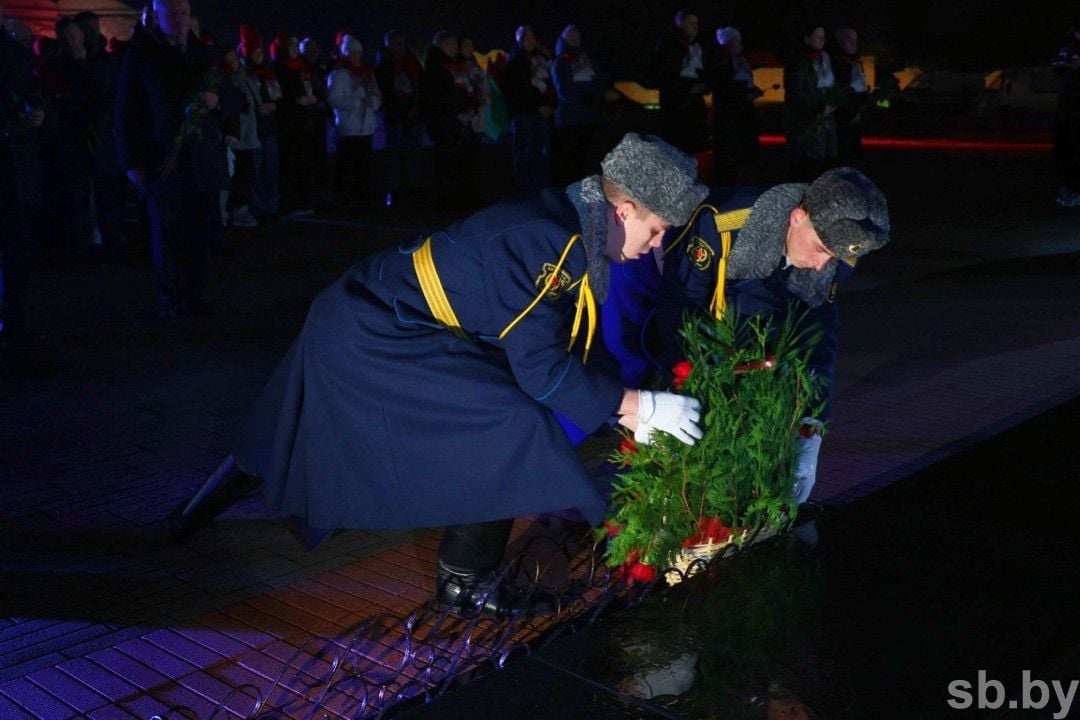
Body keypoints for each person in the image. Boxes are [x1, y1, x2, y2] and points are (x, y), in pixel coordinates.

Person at [174, 133, 708, 617]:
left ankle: (210, 497)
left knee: (286, 428)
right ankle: (465, 584)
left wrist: (628, 406)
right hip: (377, 328)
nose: (657, 245)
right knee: (513, 423)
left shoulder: (571, 227)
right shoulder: (559, 244)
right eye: (657, 230)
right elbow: (541, 369)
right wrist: (639, 407)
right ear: (624, 211)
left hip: (378, 310)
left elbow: (568, 346)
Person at [604, 167, 890, 505]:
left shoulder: (828, 257)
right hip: (692, 354)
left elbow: (818, 339)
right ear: (798, 217)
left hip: (757, 370)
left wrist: (811, 427)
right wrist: (678, 395)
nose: (820, 265)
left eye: (834, 257)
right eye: (820, 248)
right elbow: (677, 319)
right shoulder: (722, 225)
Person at [115, 0, 230, 318]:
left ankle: (196, 293)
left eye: (182, 13)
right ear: (158, 17)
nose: (178, 20)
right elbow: (127, 111)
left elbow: (231, 95)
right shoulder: (142, 55)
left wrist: (217, 100)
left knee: (198, 228)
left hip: (198, 158)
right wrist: (130, 160)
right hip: (161, 158)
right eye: (172, 14)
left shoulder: (203, 53)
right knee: (167, 230)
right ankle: (172, 297)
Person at [1, 3, 45, 354]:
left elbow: (32, 91)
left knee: (14, 245)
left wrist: (36, 111)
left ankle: (13, 318)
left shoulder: (14, 53)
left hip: (12, 161)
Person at [327, 34, 381, 211]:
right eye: (353, 52)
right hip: (349, 128)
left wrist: (372, 102)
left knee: (364, 167)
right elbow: (334, 99)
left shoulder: (367, 73)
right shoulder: (339, 74)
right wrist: (358, 103)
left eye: (359, 52)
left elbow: (377, 95)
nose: (357, 56)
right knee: (349, 167)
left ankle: (363, 199)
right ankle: (347, 201)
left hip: (366, 127)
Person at [375, 29, 424, 209]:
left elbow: (420, 86)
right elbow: (384, 93)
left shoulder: (412, 63)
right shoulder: (383, 67)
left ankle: (413, 190)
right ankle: (394, 192)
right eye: (395, 44)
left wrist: (417, 107)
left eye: (401, 44)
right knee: (394, 156)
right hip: (395, 117)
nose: (399, 48)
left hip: (413, 116)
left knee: (413, 154)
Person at [551, 24, 606, 187]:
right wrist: (580, 98)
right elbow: (562, 88)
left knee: (586, 155)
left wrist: (594, 97)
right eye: (570, 36)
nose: (574, 38)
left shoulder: (588, 59)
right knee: (571, 157)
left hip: (588, 116)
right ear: (564, 39)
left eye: (576, 35)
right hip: (569, 118)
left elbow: (600, 80)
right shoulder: (561, 62)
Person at [783, 24, 840, 180]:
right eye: (817, 37)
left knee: (826, 163)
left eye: (823, 37)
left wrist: (834, 99)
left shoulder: (825, 58)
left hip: (826, 121)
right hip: (807, 123)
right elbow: (797, 94)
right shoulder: (799, 62)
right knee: (808, 165)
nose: (822, 40)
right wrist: (819, 108)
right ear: (807, 39)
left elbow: (831, 85)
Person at [502, 25, 555, 192]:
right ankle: (524, 191)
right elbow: (517, 91)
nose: (530, 41)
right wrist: (537, 106)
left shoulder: (542, 60)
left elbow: (551, 85)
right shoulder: (515, 61)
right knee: (525, 153)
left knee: (541, 152)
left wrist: (549, 105)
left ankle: (540, 189)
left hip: (542, 113)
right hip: (524, 113)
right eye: (526, 38)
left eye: (533, 37)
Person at [655, 9, 712, 155]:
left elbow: (704, 71)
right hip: (677, 101)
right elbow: (665, 73)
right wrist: (686, 88)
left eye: (696, 23)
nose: (695, 27)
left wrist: (704, 85)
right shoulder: (669, 44)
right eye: (690, 23)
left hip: (693, 100)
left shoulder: (697, 46)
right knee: (677, 144)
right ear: (680, 23)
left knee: (692, 145)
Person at [712, 27, 762, 185]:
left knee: (746, 156)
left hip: (744, 113)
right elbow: (725, 90)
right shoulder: (722, 63)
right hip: (731, 117)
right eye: (736, 41)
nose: (740, 44)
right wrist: (744, 95)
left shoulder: (740, 60)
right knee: (731, 156)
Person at [1052, 23, 1080, 207]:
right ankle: (1069, 191)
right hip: (1071, 109)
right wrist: (1071, 63)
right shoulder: (1067, 49)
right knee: (1071, 148)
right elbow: (1057, 65)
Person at [832, 26, 869, 166]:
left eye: (855, 40)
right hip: (843, 116)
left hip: (854, 116)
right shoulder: (836, 63)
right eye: (849, 40)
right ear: (839, 42)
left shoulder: (854, 62)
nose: (854, 44)